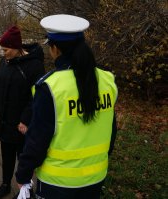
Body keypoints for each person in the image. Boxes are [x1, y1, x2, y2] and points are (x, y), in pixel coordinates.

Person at [15, 14, 118, 199]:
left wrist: (23, 173)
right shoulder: (107, 79)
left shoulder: (49, 86)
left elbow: (37, 139)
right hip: (96, 177)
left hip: (57, 183)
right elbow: (111, 130)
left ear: (55, 49)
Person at [0, 25, 45, 199]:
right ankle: (5, 184)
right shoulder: (4, 62)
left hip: (22, 124)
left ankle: (25, 189)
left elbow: (36, 96)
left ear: (17, 48)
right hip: (5, 120)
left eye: (6, 50)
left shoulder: (35, 65)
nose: (4, 53)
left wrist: (26, 119)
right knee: (7, 155)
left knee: (24, 158)